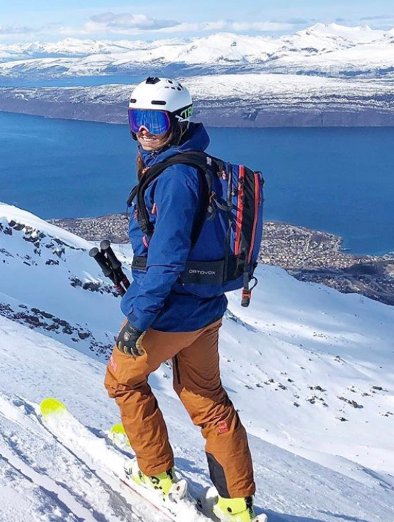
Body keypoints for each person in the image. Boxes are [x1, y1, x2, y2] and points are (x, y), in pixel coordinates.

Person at [103, 77, 258, 522]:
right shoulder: (195, 163)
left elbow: (166, 260)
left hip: (170, 313)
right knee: (208, 400)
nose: (143, 132)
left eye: (153, 120)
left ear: (179, 120)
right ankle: (235, 501)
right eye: (136, 120)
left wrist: (138, 319)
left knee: (122, 382)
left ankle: (156, 474)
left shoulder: (175, 178)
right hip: (204, 309)